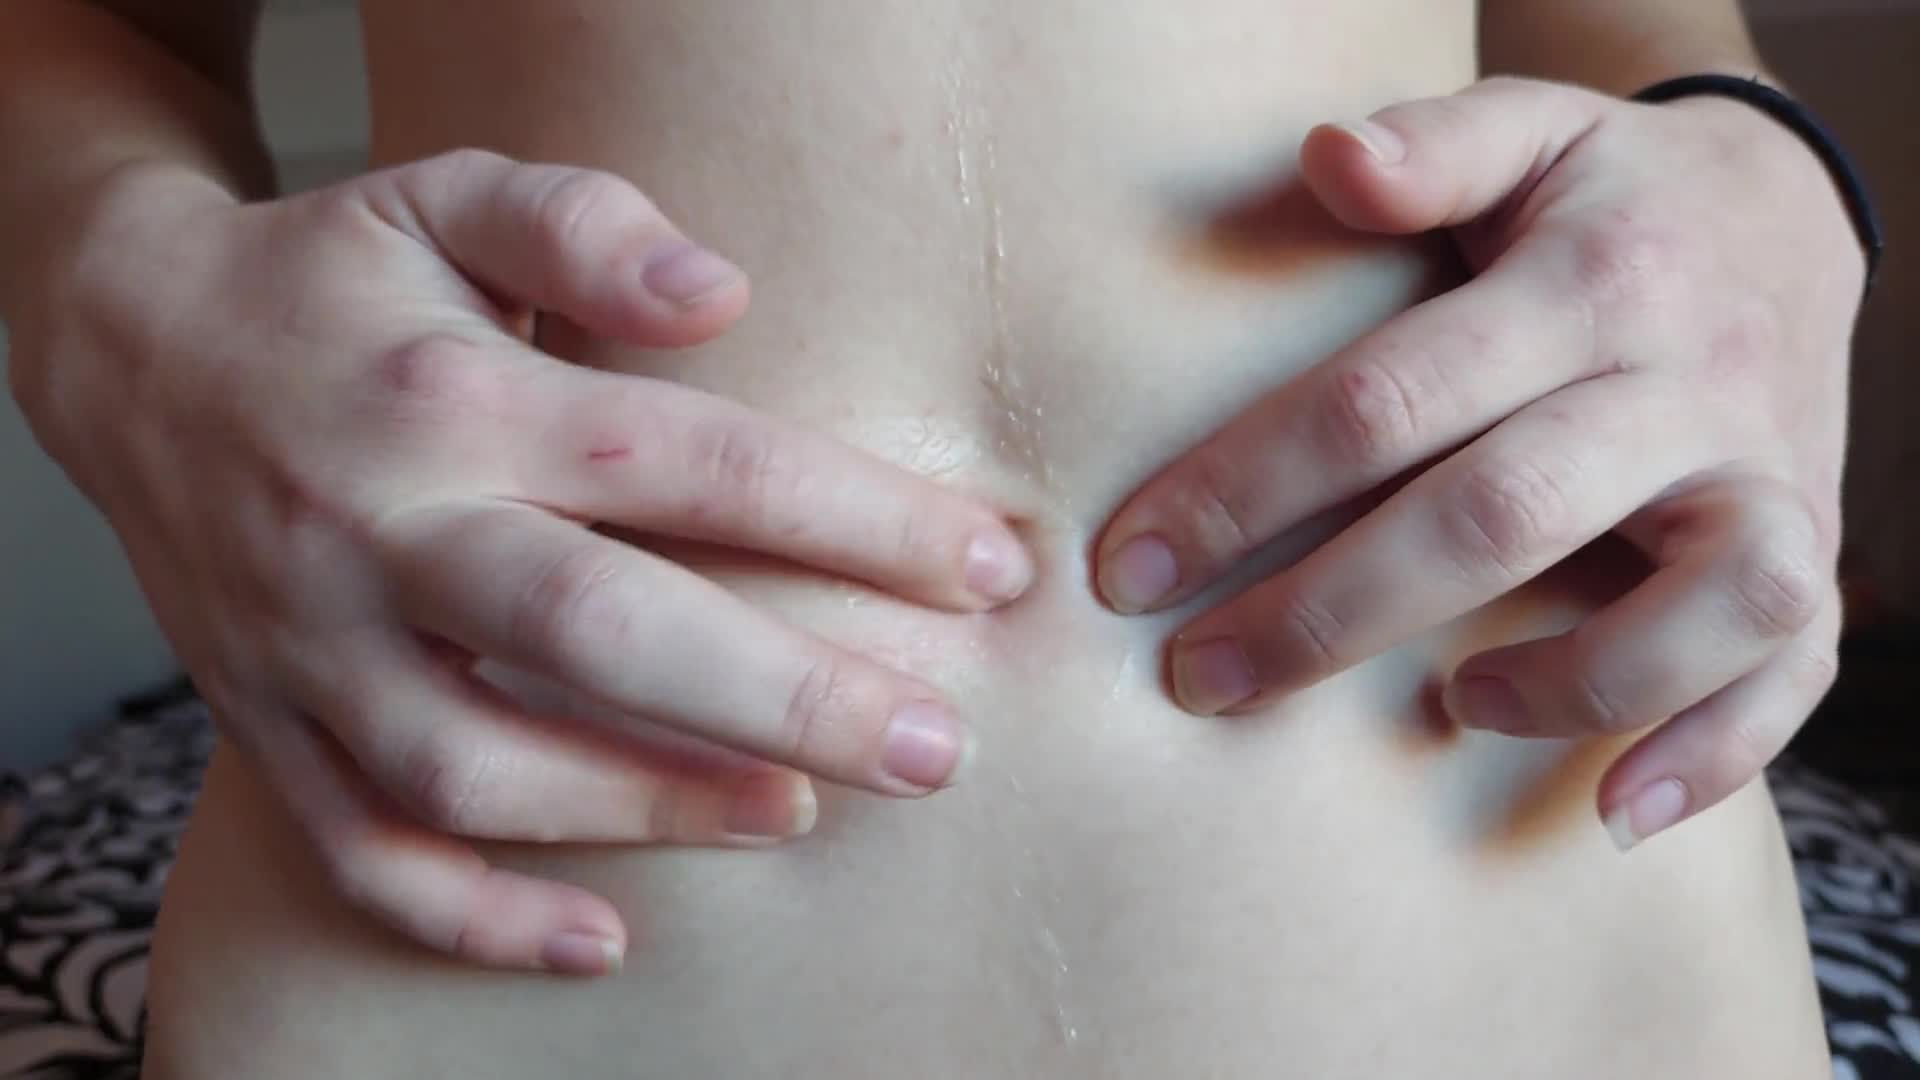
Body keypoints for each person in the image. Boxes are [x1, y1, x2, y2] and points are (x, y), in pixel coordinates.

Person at [0, 0, 1871, 1075]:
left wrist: (1764, 165)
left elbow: (1623, 11)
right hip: (503, 955)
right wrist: (119, 280)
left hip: (1526, 925)